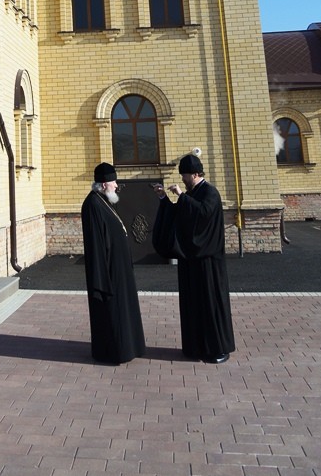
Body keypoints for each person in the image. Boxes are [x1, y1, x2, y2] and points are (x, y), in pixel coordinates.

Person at [152, 153, 235, 363]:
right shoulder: (192, 193)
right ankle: (195, 346)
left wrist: (182, 196)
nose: (182, 179)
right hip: (191, 260)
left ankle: (219, 349)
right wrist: (164, 199)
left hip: (208, 262)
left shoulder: (210, 192)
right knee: (193, 305)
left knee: (210, 305)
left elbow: (203, 213)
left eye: (185, 175)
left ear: (196, 174)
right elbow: (181, 216)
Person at [80, 162, 145, 364]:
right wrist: (103, 276)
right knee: (113, 313)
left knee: (124, 311)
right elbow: (97, 245)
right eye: (114, 181)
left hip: (119, 270)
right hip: (108, 272)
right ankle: (114, 351)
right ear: (104, 183)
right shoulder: (92, 205)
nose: (117, 185)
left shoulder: (104, 202)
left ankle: (129, 346)